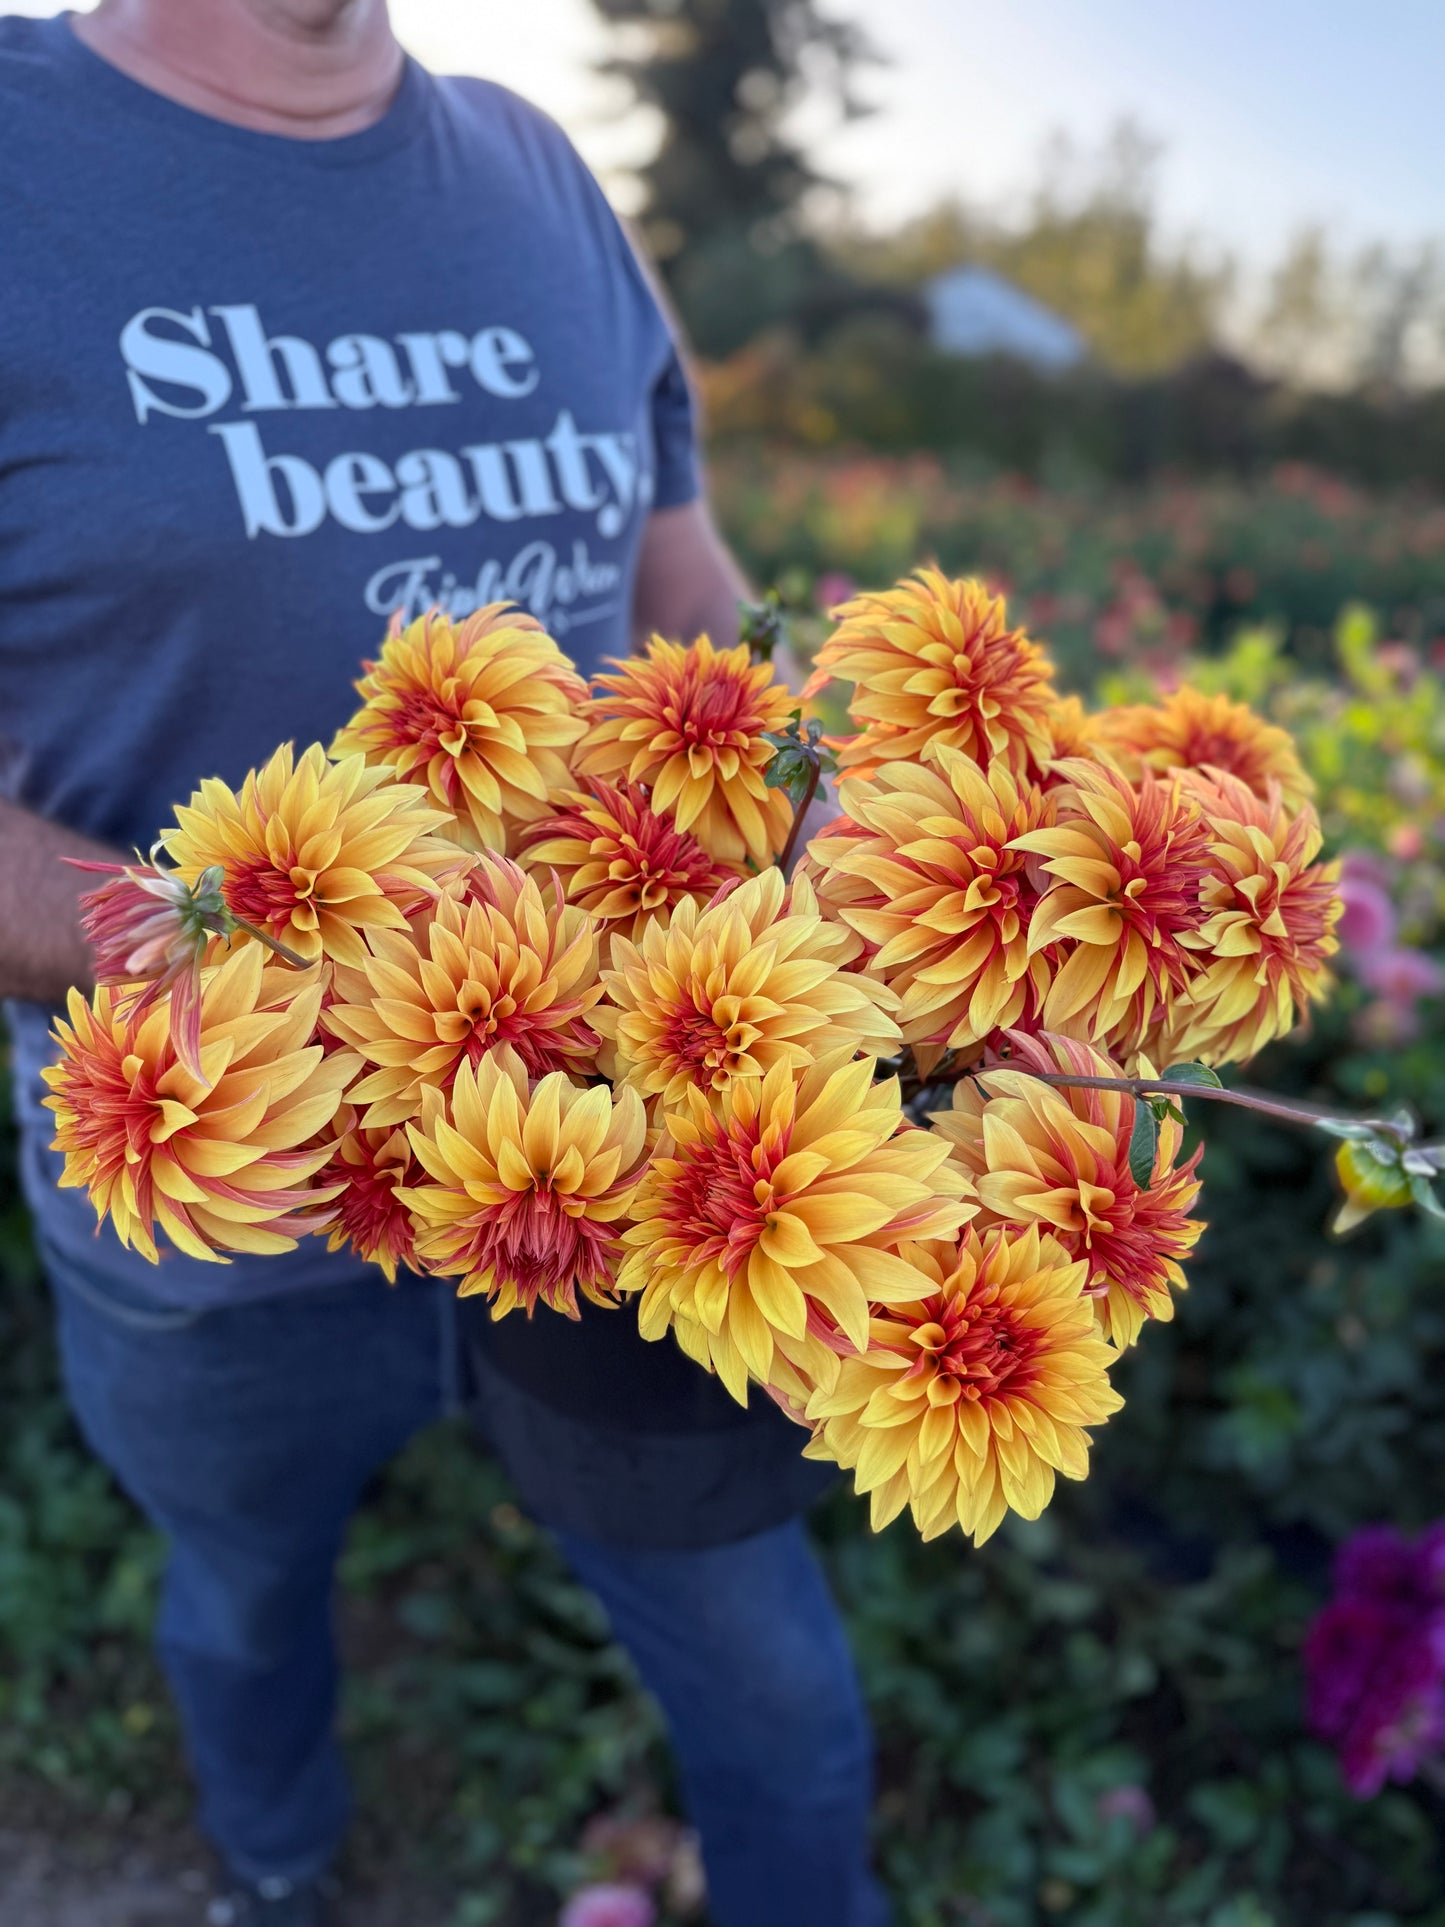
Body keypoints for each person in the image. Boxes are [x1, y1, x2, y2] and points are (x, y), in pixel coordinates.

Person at [0, 4, 888, 1924]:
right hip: (212, 1167)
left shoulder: (537, 172)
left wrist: (873, 821)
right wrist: (245, 971)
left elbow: (683, 595)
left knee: (772, 1679)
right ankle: (275, 1870)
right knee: (241, 1585)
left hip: (636, 1138)